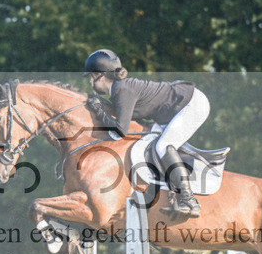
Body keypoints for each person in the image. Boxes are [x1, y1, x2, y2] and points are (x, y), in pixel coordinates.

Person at [82, 48, 210, 218]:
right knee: (149, 144)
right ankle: (158, 193)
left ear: (100, 75)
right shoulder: (119, 90)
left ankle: (189, 200)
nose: (91, 83)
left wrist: (100, 111)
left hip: (192, 104)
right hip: (173, 110)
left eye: (91, 77)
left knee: (164, 146)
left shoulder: (122, 90)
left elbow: (120, 130)